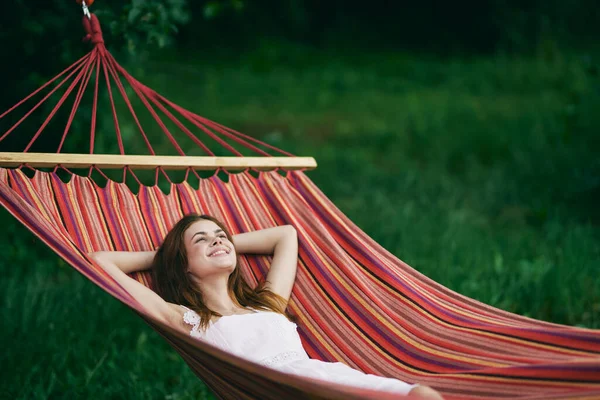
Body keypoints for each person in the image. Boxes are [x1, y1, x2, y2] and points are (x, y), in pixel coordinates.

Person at [90, 214, 444, 399]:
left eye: (220, 235)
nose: (218, 240)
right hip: (279, 390)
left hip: (325, 376)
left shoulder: (267, 303)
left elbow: (285, 235)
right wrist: (168, 257)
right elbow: (100, 259)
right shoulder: (187, 320)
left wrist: (221, 243)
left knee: (425, 395)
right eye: (203, 239)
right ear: (182, 263)